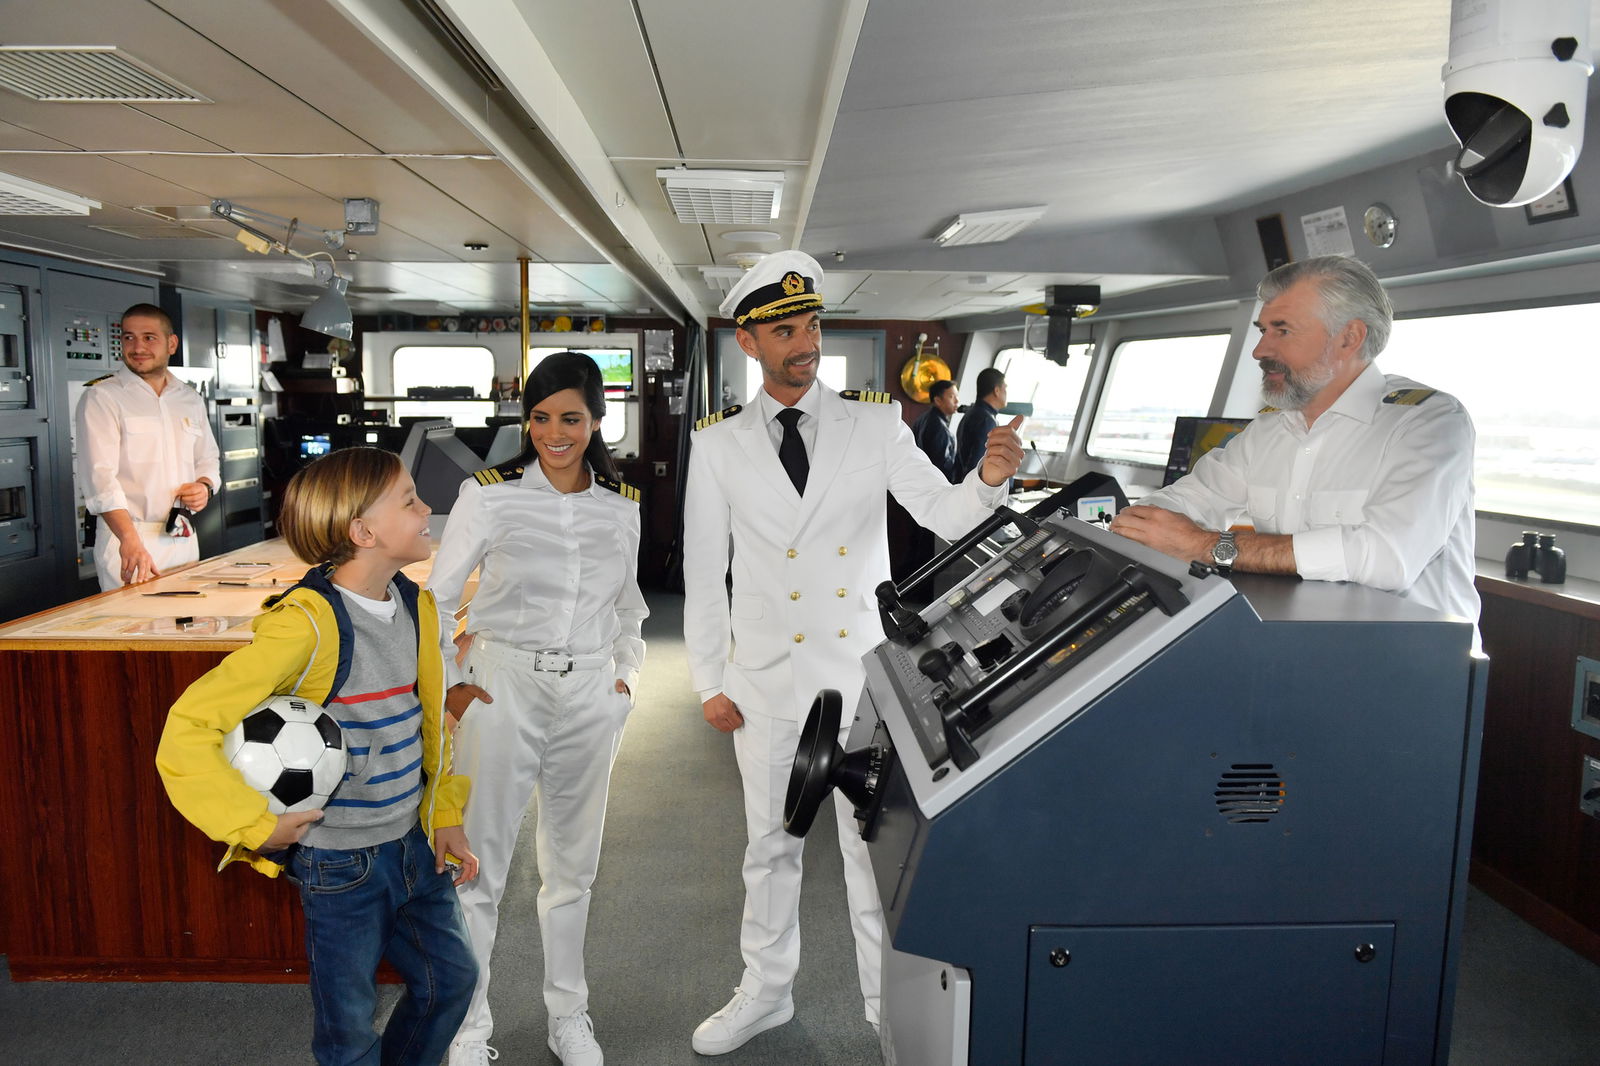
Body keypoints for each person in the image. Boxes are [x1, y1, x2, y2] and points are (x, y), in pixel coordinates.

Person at [683, 250, 1024, 1056]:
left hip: (863, 681)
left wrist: (988, 478)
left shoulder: (874, 423)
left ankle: (886, 1009)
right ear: (749, 343)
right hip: (764, 681)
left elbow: (943, 512)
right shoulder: (719, 443)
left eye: (811, 325)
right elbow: (703, 573)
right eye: (785, 332)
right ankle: (765, 991)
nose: (805, 342)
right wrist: (708, 680)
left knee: (873, 857)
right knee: (770, 849)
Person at [156, 446, 479, 1066]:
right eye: (409, 500)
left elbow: (427, 729)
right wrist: (254, 825)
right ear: (364, 532)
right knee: (348, 1030)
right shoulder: (304, 625)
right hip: (341, 864)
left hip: (413, 844)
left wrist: (444, 815)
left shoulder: (417, 607)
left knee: (451, 982)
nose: (426, 509)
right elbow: (189, 725)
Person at [430, 352, 647, 1066]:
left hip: (589, 692)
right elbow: (438, 598)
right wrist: (452, 685)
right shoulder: (489, 495)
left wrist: (624, 683)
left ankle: (568, 1016)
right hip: (502, 686)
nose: (556, 433)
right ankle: (467, 1029)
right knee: (477, 866)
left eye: (572, 419)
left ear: (597, 421)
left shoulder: (621, 506)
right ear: (528, 421)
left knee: (574, 870)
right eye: (542, 418)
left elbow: (630, 608)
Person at [1109, 254, 1479, 637]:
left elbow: (1387, 556)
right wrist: (1143, 526)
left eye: (1281, 330)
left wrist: (1207, 546)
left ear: (1349, 338)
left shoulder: (1427, 422)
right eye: (1262, 330)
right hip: (1296, 638)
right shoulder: (1269, 430)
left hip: (1414, 650)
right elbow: (1189, 500)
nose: (1259, 350)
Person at [75, 303, 221, 590]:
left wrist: (204, 486)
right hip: (130, 538)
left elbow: (208, 458)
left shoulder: (189, 398)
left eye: (149, 337)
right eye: (128, 337)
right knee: (134, 617)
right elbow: (99, 477)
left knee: (189, 615)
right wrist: (128, 539)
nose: (137, 347)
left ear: (171, 344)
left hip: (182, 533)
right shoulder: (102, 396)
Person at [955, 366, 1007, 475]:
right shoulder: (987, 421)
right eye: (1005, 388)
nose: (1006, 393)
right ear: (997, 391)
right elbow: (977, 466)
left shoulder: (971, 413)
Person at [912, 379, 961, 483]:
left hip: (919, 479)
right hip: (932, 483)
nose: (957, 401)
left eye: (957, 396)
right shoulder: (938, 426)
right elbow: (941, 466)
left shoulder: (924, 418)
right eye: (952, 397)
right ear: (938, 400)